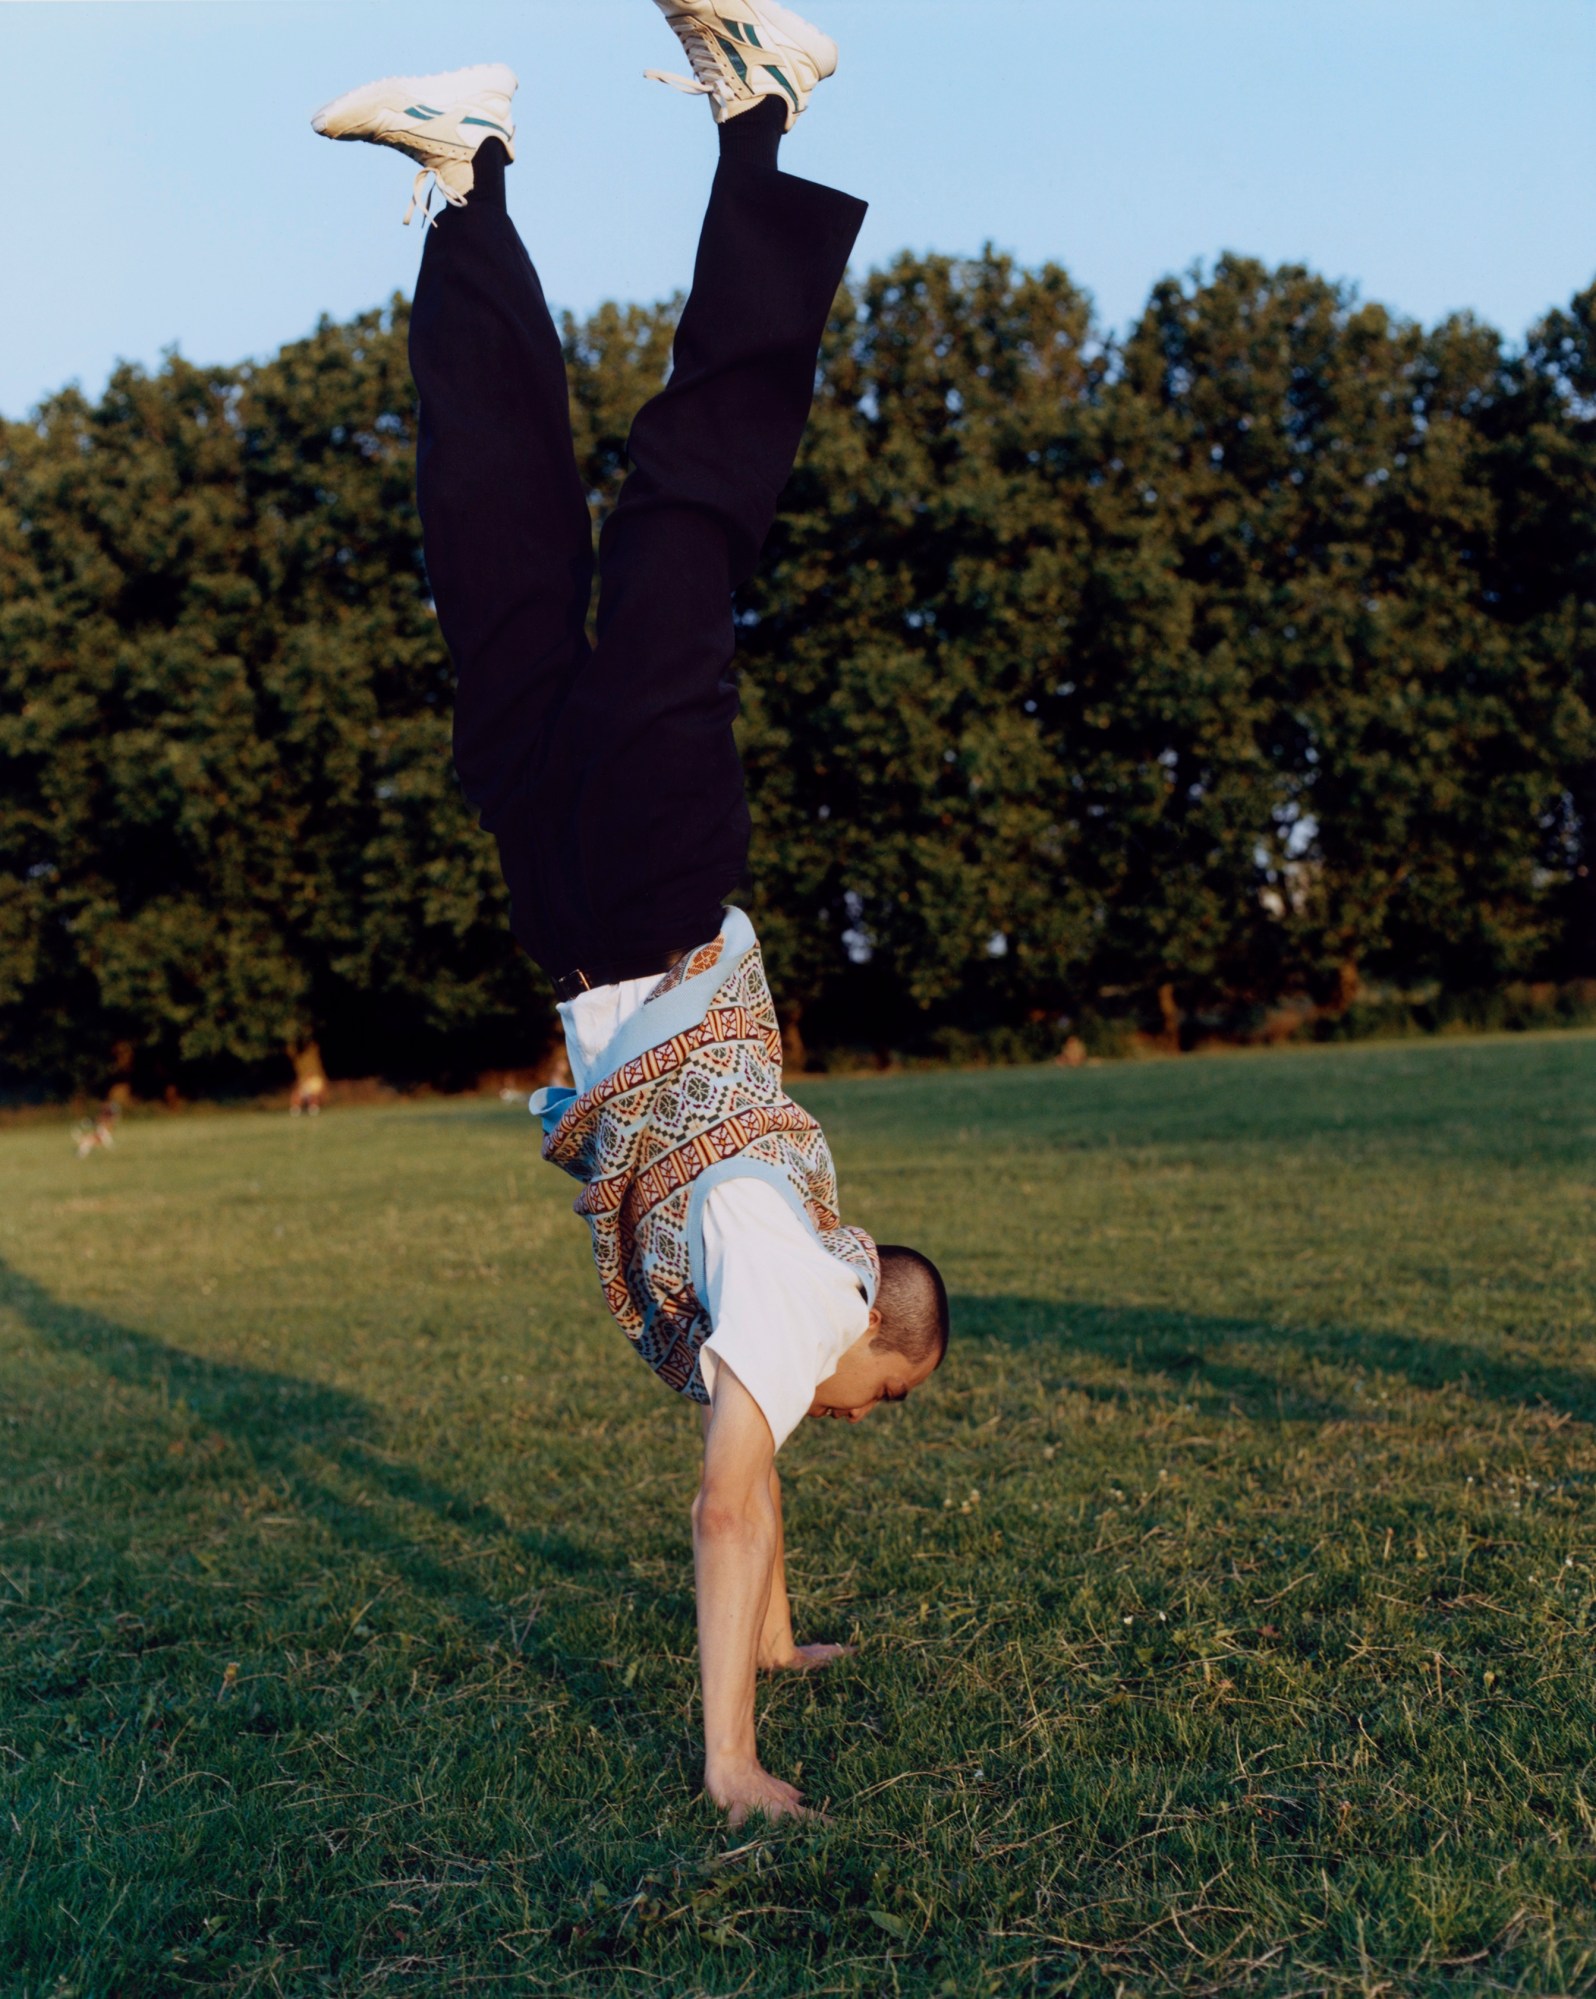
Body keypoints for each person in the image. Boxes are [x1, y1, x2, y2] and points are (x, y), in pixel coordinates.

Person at [312, 0, 950, 1827]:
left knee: (496, 564)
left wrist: (778, 1641)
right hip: (656, 894)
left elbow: (761, 1462)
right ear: (872, 1356)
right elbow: (734, 1492)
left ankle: (467, 184)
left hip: (581, 904)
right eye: (864, 1407)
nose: (828, 1427)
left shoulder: (790, 1258)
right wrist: (734, 1750)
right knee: (681, 518)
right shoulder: (784, 1275)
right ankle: (763, 114)